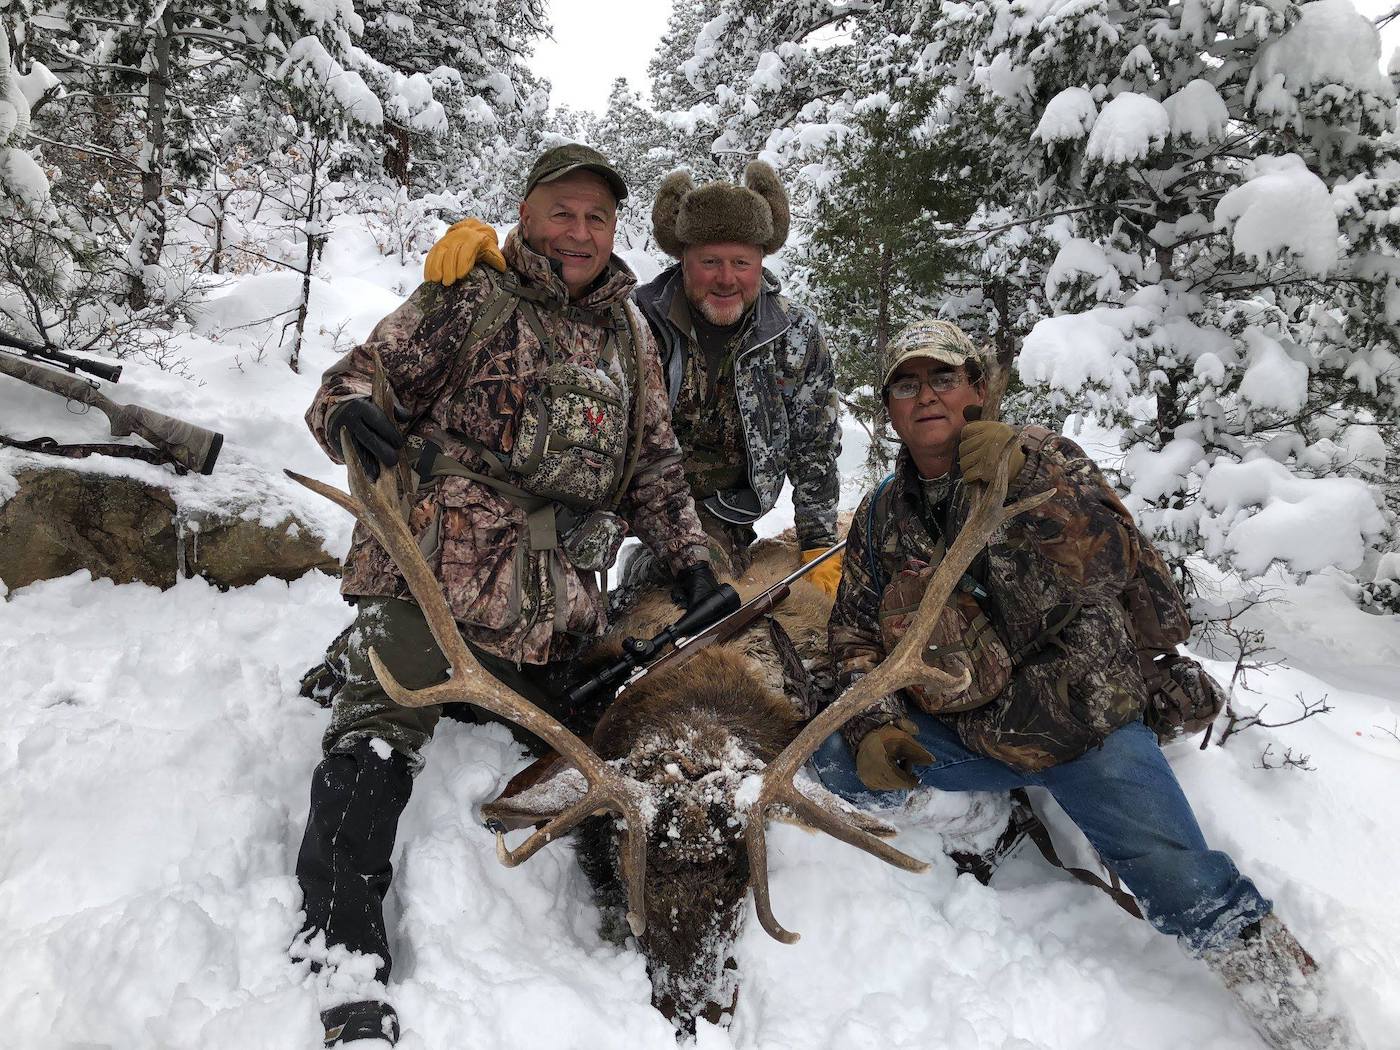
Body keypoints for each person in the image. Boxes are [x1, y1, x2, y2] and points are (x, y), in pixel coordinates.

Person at [812, 318, 1362, 1050]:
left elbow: (1117, 572)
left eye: (943, 378)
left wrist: (1033, 476)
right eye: (907, 385)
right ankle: (983, 821)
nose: (927, 397)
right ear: (890, 408)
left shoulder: (1045, 461)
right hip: (970, 730)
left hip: (1081, 730)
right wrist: (873, 722)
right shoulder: (883, 512)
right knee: (830, 761)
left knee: (1182, 881)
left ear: (976, 389)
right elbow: (851, 631)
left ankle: (1310, 1023)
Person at [293, 143, 720, 1047]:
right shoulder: (471, 293)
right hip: (435, 582)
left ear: (615, 231)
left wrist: (691, 560)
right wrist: (350, 415)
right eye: (560, 212)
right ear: (527, 215)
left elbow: (653, 464)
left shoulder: (630, 334)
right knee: (383, 730)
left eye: (595, 217)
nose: (578, 231)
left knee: (596, 758)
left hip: (553, 612)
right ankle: (345, 957)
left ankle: (642, 941)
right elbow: (350, 379)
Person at [423, 161, 844, 594]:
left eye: (741, 262)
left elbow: (815, 447)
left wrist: (818, 542)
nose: (725, 278)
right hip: (603, 504)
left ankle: (646, 570)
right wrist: (497, 269)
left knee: (697, 595)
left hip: (715, 515)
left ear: (762, 262)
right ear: (683, 260)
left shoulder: (795, 336)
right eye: (710, 261)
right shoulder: (633, 320)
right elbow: (559, 308)